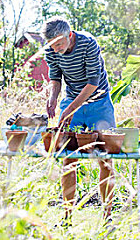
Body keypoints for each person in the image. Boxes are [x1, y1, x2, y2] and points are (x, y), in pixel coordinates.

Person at [42, 16, 115, 224]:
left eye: (59, 44)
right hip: (71, 100)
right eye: (52, 46)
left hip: (99, 103)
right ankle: (67, 216)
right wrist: (53, 98)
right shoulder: (51, 49)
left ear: (70, 36)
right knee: (68, 158)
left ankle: (107, 215)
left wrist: (70, 109)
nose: (55, 49)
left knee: (105, 159)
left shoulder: (88, 44)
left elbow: (93, 83)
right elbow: (55, 78)